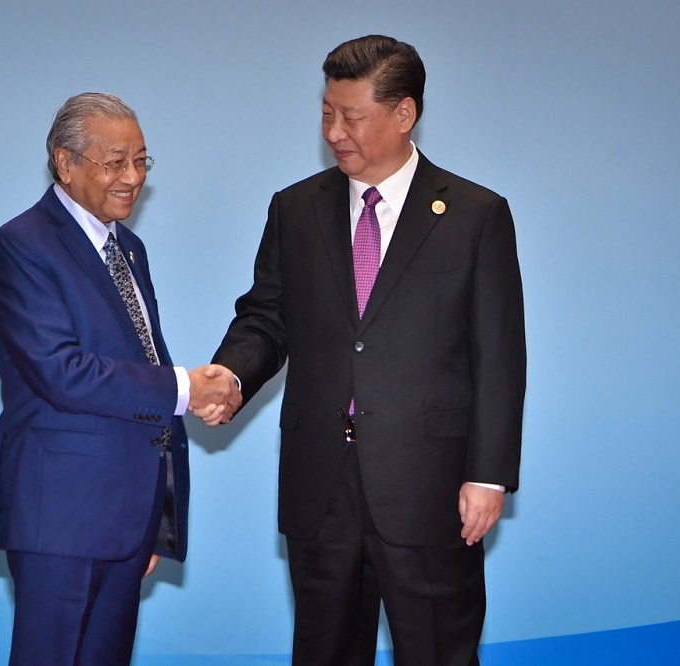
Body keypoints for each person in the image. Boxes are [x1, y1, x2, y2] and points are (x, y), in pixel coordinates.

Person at [207, 36, 526, 665]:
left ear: (404, 113)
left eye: (352, 116)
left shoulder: (475, 214)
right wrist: (231, 375)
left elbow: (500, 355)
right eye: (327, 112)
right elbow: (267, 318)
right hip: (320, 486)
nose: (335, 131)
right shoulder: (295, 209)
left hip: (429, 489)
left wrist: (487, 473)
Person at [0, 92, 240, 665]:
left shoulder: (130, 249)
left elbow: (139, 358)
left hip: (128, 520)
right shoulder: (21, 245)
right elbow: (62, 373)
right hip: (62, 518)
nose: (133, 177)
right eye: (116, 162)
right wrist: (185, 388)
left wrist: (157, 518)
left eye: (143, 160)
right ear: (65, 162)